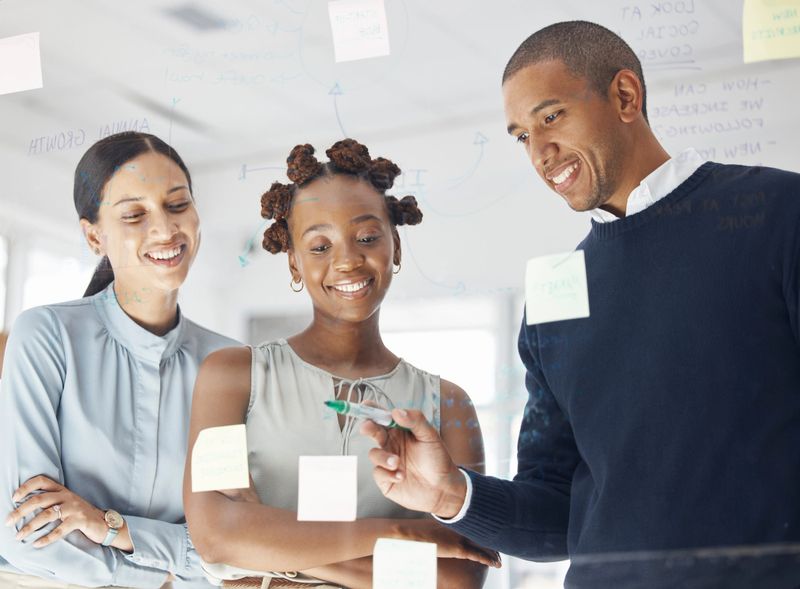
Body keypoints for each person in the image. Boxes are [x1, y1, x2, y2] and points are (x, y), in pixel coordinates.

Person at [362, 21, 800, 588]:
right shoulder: (554, 294)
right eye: (521, 135)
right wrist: (451, 493)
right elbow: (558, 518)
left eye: (551, 117)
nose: (540, 153)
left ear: (624, 96)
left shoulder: (780, 216)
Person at [183, 139, 500, 589]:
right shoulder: (232, 378)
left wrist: (266, 550)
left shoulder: (448, 404)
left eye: (367, 238)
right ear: (293, 264)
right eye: (318, 247)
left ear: (397, 248)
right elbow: (214, 538)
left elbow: (458, 580)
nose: (348, 261)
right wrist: (398, 532)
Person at [0, 132, 239, 588]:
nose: (165, 230)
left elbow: (232, 545)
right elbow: (26, 532)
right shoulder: (47, 337)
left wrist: (105, 525)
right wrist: (164, 574)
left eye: (177, 205)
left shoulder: (230, 364)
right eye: (134, 214)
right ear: (94, 236)